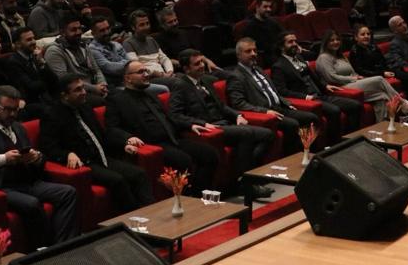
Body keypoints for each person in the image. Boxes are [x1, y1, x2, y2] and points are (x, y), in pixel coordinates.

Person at [0, 86, 78, 249]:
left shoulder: (19, 127)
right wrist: (4, 159)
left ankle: (64, 246)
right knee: (32, 204)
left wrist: (36, 158)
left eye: (15, 110)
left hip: (26, 181)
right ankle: (42, 250)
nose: (13, 114)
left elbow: (36, 158)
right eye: (7, 109)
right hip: (0, 186)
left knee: (68, 193)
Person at [40, 75, 153, 213]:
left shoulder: (85, 107)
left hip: (103, 157)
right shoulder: (52, 115)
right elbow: (48, 147)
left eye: (83, 88)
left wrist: (123, 144)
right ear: (64, 95)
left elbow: (103, 135)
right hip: (85, 163)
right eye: (78, 90)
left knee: (139, 174)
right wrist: (67, 154)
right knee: (118, 181)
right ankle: (133, 218)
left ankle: (150, 212)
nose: (84, 92)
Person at [169, 50, 274, 197]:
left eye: (202, 61)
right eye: (197, 64)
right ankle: (246, 183)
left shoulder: (206, 80)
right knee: (246, 133)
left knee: (267, 134)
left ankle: (244, 179)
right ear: (186, 68)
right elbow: (175, 115)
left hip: (224, 123)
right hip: (212, 128)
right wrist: (200, 123)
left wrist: (237, 115)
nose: (202, 65)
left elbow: (221, 106)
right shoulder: (180, 85)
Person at [105, 62, 219, 195]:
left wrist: (190, 125)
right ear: (128, 78)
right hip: (153, 145)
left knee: (210, 154)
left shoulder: (149, 94)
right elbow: (111, 129)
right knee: (183, 160)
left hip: (172, 139)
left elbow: (171, 117)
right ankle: (189, 198)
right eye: (141, 72)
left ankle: (200, 194)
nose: (146, 75)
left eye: (146, 71)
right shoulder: (117, 100)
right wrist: (128, 137)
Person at [227, 38, 320, 154]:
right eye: (248, 51)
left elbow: (273, 91)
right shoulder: (236, 76)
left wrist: (286, 103)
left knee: (311, 118)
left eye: (255, 50)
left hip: (279, 108)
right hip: (264, 113)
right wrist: (265, 111)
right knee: (292, 124)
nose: (253, 54)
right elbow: (238, 103)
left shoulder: (258, 69)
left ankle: (313, 155)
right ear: (239, 55)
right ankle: (293, 158)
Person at [271, 32, 362, 142]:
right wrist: (305, 97)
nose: (295, 44)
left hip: (320, 95)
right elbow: (281, 91)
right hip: (306, 100)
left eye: (295, 41)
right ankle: (334, 143)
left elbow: (313, 76)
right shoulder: (278, 66)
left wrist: (325, 85)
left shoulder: (299, 57)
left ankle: (352, 139)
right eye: (290, 42)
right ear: (281, 46)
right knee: (334, 111)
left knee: (355, 105)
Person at [316, 30, 408, 122]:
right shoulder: (324, 58)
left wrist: (359, 78)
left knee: (382, 96)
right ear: (326, 42)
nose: (335, 42)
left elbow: (353, 72)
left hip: (353, 83)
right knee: (379, 79)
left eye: (337, 39)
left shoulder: (341, 56)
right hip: (342, 88)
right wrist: (353, 78)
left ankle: (383, 126)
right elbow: (331, 77)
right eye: (332, 40)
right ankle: (404, 104)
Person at [43, 13, 108, 106]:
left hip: (94, 87)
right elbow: (65, 80)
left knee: (118, 95)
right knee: (104, 101)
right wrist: (94, 88)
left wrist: (103, 84)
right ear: (62, 32)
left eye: (79, 28)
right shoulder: (54, 51)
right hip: (74, 92)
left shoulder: (83, 45)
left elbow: (96, 69)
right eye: (73, 30)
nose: (78, 32)